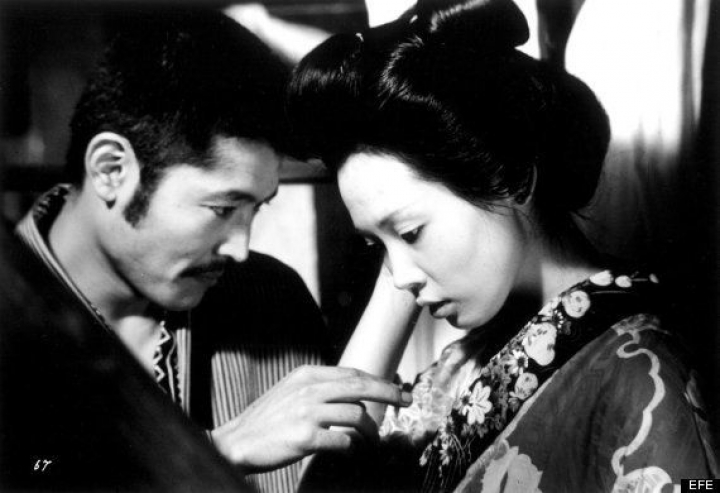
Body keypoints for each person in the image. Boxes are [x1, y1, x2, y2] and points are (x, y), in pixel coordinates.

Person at [287, 0, 719, 491]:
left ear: (513, 179)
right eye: (376, 245)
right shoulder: (466, 362)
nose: (399, 277)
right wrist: (401, 244)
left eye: (410, 232)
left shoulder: (643, 371)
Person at [12, 8, 412, 492]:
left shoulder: (272, 300)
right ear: (111, 169)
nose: (241, 249)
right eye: (222, 209)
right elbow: (34, 469)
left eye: (257, 208)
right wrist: (217, 452)